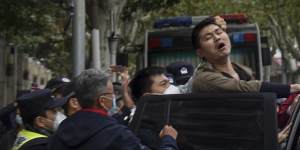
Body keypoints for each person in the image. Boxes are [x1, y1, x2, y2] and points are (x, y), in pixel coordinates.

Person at [48, 69, 179, 150]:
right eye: (111, 94)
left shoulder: (61, 131)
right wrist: (169, 140)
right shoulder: (118, 135)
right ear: (103, 101)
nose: (114, 97)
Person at [191, 16, 300, 97]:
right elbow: (244, 88)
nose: (217, 38)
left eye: (219, 32)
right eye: (208, 37)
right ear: (200, 52)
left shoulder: (244, 70)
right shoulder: (203, 79)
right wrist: (292, 88)